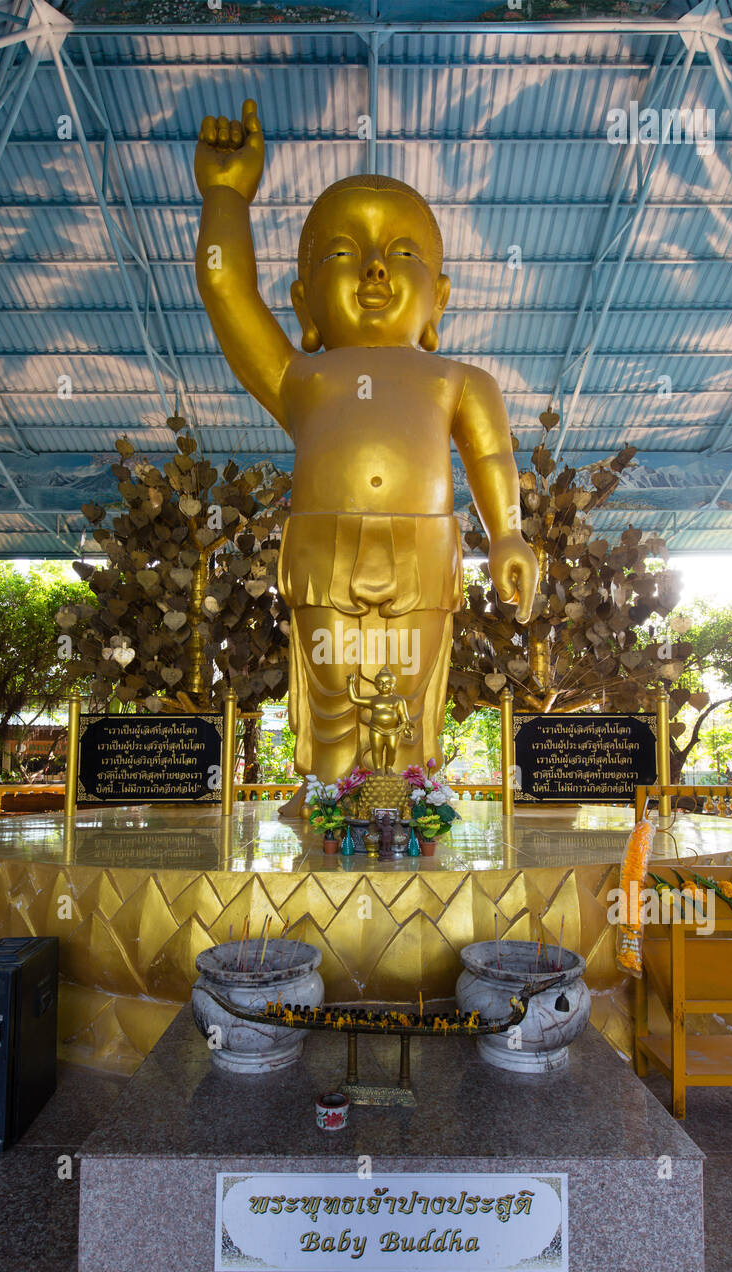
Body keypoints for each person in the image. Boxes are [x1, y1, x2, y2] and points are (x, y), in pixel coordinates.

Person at [195, 100, 538, 782]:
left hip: (424, 551)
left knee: (406, 697)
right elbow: (223, 287)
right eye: (345, 254)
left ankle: (406, 802)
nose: (376, 269)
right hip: (323, 550)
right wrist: (226, 196)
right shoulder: (301, 375)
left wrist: (506, 534)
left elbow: (491, 456)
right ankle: (329, 801)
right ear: (302, 305)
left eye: (401, 253)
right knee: (333, 691)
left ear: (437, 298)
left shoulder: (459, 380)